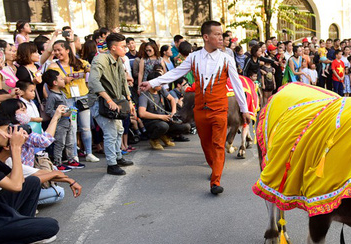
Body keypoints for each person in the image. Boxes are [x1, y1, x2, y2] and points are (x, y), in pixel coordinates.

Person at [139, 20, 249, 195]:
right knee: (206, 145)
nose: (222, 38)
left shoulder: (227, 59)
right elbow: (175, 73)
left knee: (218, 144)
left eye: (222, 34)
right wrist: (152, 82)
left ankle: (215, 181)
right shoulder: (193, 58)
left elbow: (236, 85)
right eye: (217, 34)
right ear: (206, 37)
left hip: (220, 110)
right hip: (200, 111)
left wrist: (244, 110)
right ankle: (215, 168)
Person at [0, 111, 60, 244]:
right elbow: (16, 186)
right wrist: (15, 148)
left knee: (32, 181)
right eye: (8, 130)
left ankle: (22, 235)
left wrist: (14, 150)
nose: (11, 134)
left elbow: (20, 181)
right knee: (51, 226)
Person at [88, 33, 136, 176]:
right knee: (110, 133)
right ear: (113, 47)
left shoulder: (120, 60)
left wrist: (129, 101)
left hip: (116, 101)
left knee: (119, 130)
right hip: (100, 102)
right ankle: (111, 164)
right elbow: (93, 82)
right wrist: (108, 100)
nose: (126, 49)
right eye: (123, 46)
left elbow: (123, 82)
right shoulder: (100, 59)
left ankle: (118, 157)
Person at [48, 40, 99, 162]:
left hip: (82, 97)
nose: (57, 53)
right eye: (55, 50)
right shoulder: (53, 66)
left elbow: (91, 70)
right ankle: (73, 155)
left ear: (67, 50)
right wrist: (64, 80)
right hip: (67, 99)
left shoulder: (80, 62)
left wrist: (84, 71)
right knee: (72, 127)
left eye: (59, 50)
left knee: (86, 127)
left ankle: (89, 153)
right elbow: (51, 82)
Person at [138, 70, 191, 150]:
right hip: (152, 121)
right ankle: (154, 140)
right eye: (159, 83)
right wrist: (160, 117)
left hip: (164, 117)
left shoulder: (160, 90)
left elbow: (172, 99)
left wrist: (173, 112)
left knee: (186, 126)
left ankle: (166, 136)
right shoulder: (144, 95)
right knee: (163, 126)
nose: (161, 85)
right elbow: (142, 113)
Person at [43, 69, 82, 170]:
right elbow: (48, 110)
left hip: (67, 121)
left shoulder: (61, 93)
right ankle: (57, 162)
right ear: (55, 83)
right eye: (61, 78)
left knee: (70, 142)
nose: (63, 80)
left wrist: (70, 111)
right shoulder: (52, 96)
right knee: (60, 143)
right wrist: (60, 114)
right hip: (59, 123)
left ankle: (71, 159)